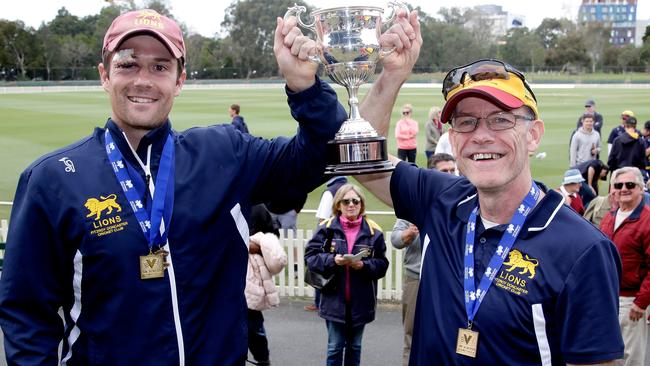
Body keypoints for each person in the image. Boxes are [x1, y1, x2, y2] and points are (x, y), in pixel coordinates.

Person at [0, 10, 347, 365]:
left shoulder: (226, 154)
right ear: (105, 75)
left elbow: (327, 155)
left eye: (160, 67)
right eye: (127, 64)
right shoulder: (53, 179)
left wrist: (305, 88)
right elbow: (26, 313)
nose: (143, 80)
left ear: (179, 80)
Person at [355, 11, 623, 364]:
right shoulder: (442, 200)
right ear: (453, 139)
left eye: (500, 119)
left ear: (533, 135)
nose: (481, 135)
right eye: (466, 122)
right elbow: (361, 159)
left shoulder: (583, 250)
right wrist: (391, 77)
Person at [305, 184, 388, 366]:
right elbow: (310, 257)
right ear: (338, 205)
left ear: (361, 204)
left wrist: (363, 265)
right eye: (346, 201)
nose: (351, 205)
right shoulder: (326, 228)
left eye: (355, 201)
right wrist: (332, 261)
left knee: (355, 347)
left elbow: (382, 265)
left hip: (361, 301)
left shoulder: (374, 231)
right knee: (334, 347)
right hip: (334, 299)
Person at [391, 152, 456, 366]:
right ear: (431, 175)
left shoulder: (463, 201)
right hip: (418, 278)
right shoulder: (416, 203)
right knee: (413, 335)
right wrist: (408, 234)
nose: (450, 174)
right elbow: (396, 239)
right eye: (444, 171)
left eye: (452, 170)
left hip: (450, 282)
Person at [599, 167, 650, 366]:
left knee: (633, 358)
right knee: (613, 357)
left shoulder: (647, 220)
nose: (623, 189)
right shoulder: (610, 217)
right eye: (618, 185)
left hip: (632, 301)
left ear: (640, 188)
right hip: (608, 299)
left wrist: (641, 301)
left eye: (630, 185)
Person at [246, 204, 286, 366]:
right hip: (227, 272)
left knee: (253, 324)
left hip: (252, 274)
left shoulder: (257, 208)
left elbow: (272, 239)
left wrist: (258, 246)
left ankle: (263, 359)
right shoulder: (222, 201)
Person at [307, 176, 349, 312]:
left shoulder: (330, 191)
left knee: (323, 268)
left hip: (329, 237)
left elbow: (322, 219)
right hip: (346, 236)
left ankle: (319, 302)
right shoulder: (348, 190)